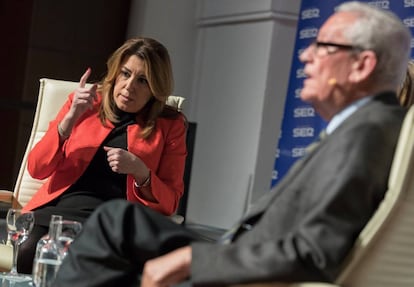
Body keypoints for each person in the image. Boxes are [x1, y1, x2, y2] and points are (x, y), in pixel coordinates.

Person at [54, 2, 412, 286]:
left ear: (363, 65)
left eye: (323, 47)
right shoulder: (364, 127)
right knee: (118, 222)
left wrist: (195, 259)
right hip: (247, 254)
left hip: (256, 272)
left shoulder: (370, 132)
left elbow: (314, 252)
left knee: (113, 224)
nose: (305, 56)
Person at [17, 37, 188, 273]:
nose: (129, 87)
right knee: (27, 252)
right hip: (60, 210)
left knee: (76, 260)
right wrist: (70, 118)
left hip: (112, 220)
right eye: (125, 74)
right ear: (115, 73)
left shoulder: (170, 124)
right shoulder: (86, 102)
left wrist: (140, 171)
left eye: (142, 81)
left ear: (156, 88)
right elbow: (37, 168)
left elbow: (171, 202)